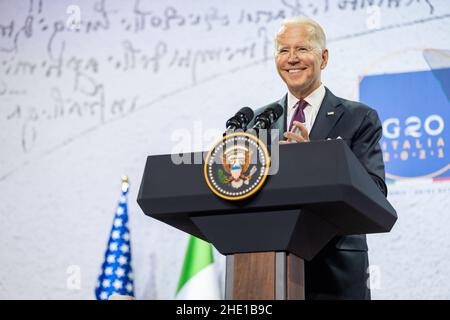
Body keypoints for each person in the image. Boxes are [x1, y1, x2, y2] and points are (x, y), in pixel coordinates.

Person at [254, 16, 387, 299]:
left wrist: (315, 161)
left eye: (301, 49)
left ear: (323, 57)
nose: (291, 59)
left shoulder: (359, 118)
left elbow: (376, 192)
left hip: (336, 273)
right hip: (268, 268)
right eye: (282, 50)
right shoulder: (259, 121)